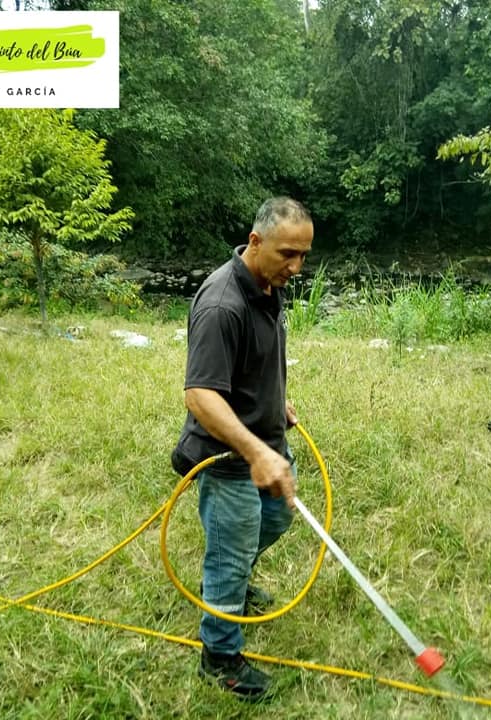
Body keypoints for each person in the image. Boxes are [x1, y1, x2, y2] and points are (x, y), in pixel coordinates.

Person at [171, 196, 313, 700]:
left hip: (267, 440)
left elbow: (249, 362)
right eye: (287, 254)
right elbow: (200, 395)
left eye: (303, 255)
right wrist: (257, 452)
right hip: (231, 457)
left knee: (276, 518)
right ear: (255, 242)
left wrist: (275, 400)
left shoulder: (267, 284)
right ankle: (220, 657)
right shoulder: (221, 304)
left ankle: (228, 580)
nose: (296, 267)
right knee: (230, 557)